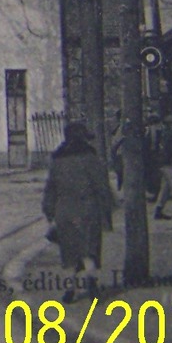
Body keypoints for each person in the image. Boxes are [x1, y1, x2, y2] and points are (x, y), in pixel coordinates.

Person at [41, 121, 113, 299]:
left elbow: (50, 189)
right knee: (89, 249)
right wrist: (108, 210)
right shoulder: (90, 158)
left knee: (69, 252)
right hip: (89, 210)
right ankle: (91, 283)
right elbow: (102, 186)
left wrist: (49, 213)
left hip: (65, 211)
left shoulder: (57, 160)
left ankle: (70, 288)